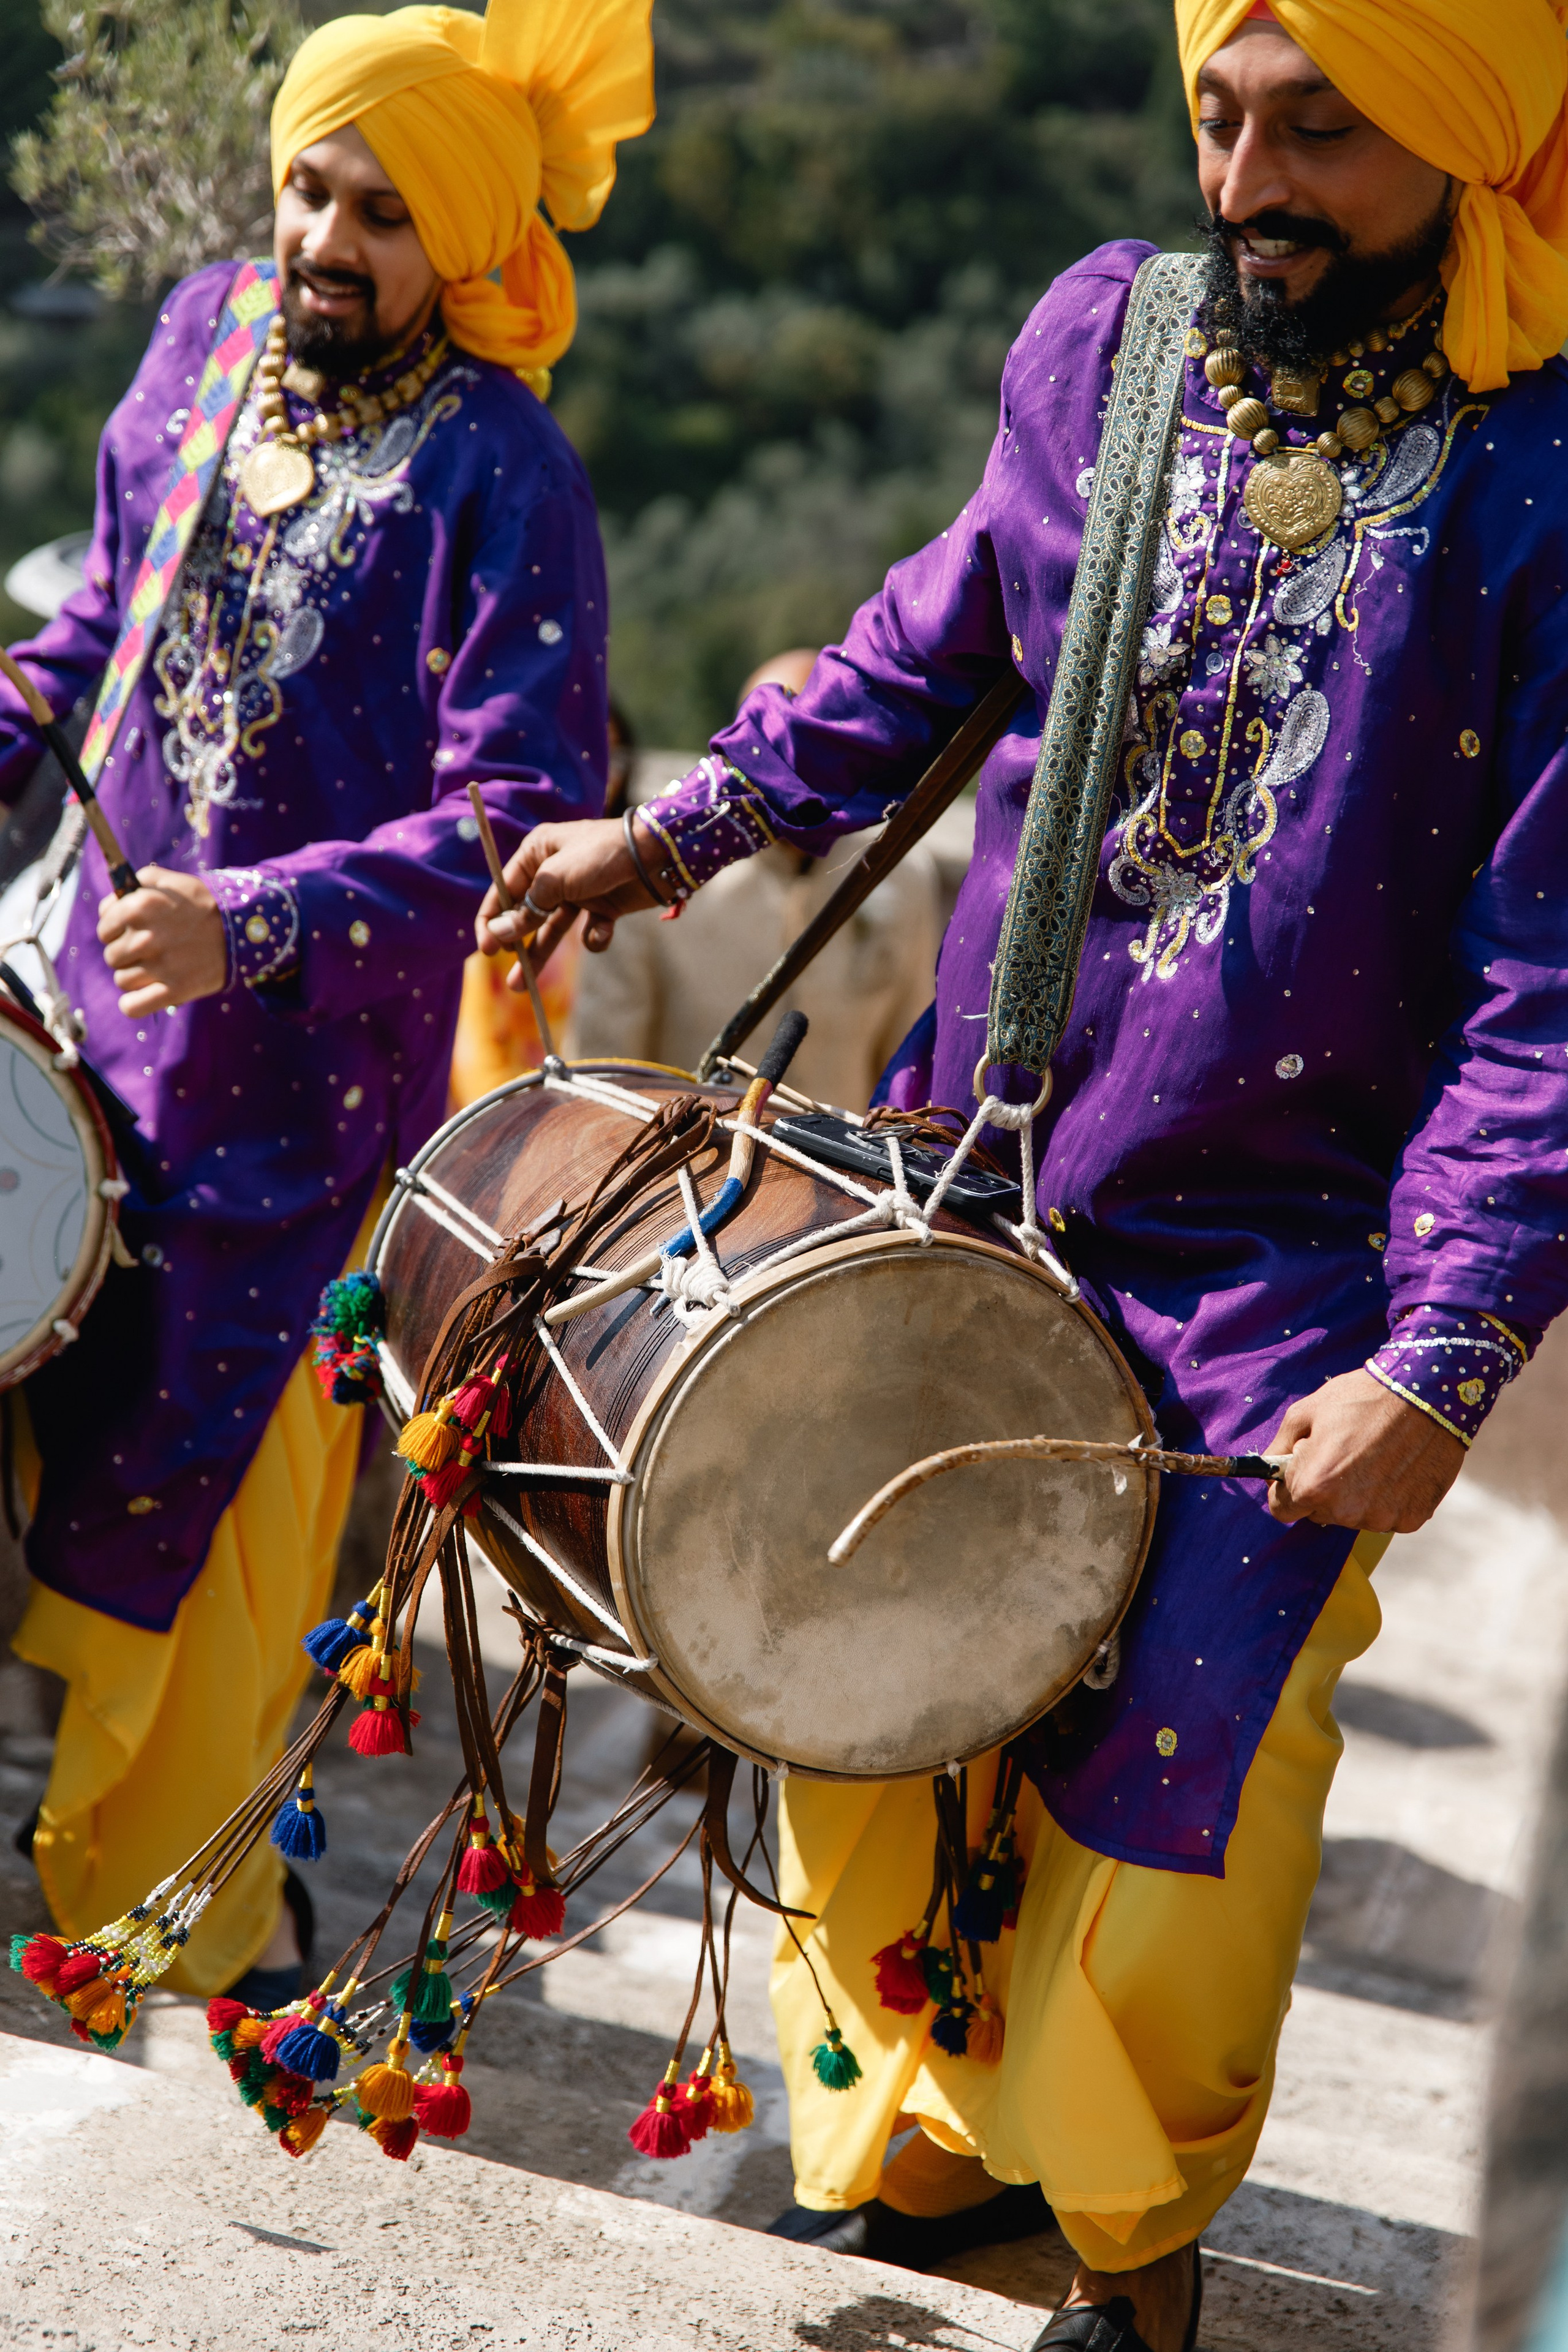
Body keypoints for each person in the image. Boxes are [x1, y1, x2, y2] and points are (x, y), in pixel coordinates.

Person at [478, 1, 1568, 2343]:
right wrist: (674, 832)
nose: (1250, 177)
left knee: (1190, 1754)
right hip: (981, 1173)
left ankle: (1129, 2254)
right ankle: (937, 2170)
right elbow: (938, 629)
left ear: (1471, 137)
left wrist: (1448, 1350)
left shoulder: (1546, 479)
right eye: (1216, 113)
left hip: (1288, 1255)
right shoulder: (1108, 333)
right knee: (871, 1685)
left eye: (1319, 130)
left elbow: (1544, 986)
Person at [0, 0, 652, 2007]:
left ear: (454, 245)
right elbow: (99, 628)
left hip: (303, 1106)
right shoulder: (204, 346)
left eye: (381, 210)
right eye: (308, 185)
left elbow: (524, 820)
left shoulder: (499, 474)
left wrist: (252, 922)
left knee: (181, 1522)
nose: (323, 238)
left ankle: (181, 1932)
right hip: (80, 1019)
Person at [570, 649, 944, 1106]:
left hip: (844, 1173)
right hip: (687, 1169)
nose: (799, 767)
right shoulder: (656, 883)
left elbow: (907, 1070)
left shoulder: (902, 875)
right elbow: (605, 1079)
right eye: (776, 745)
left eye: (820, 746)